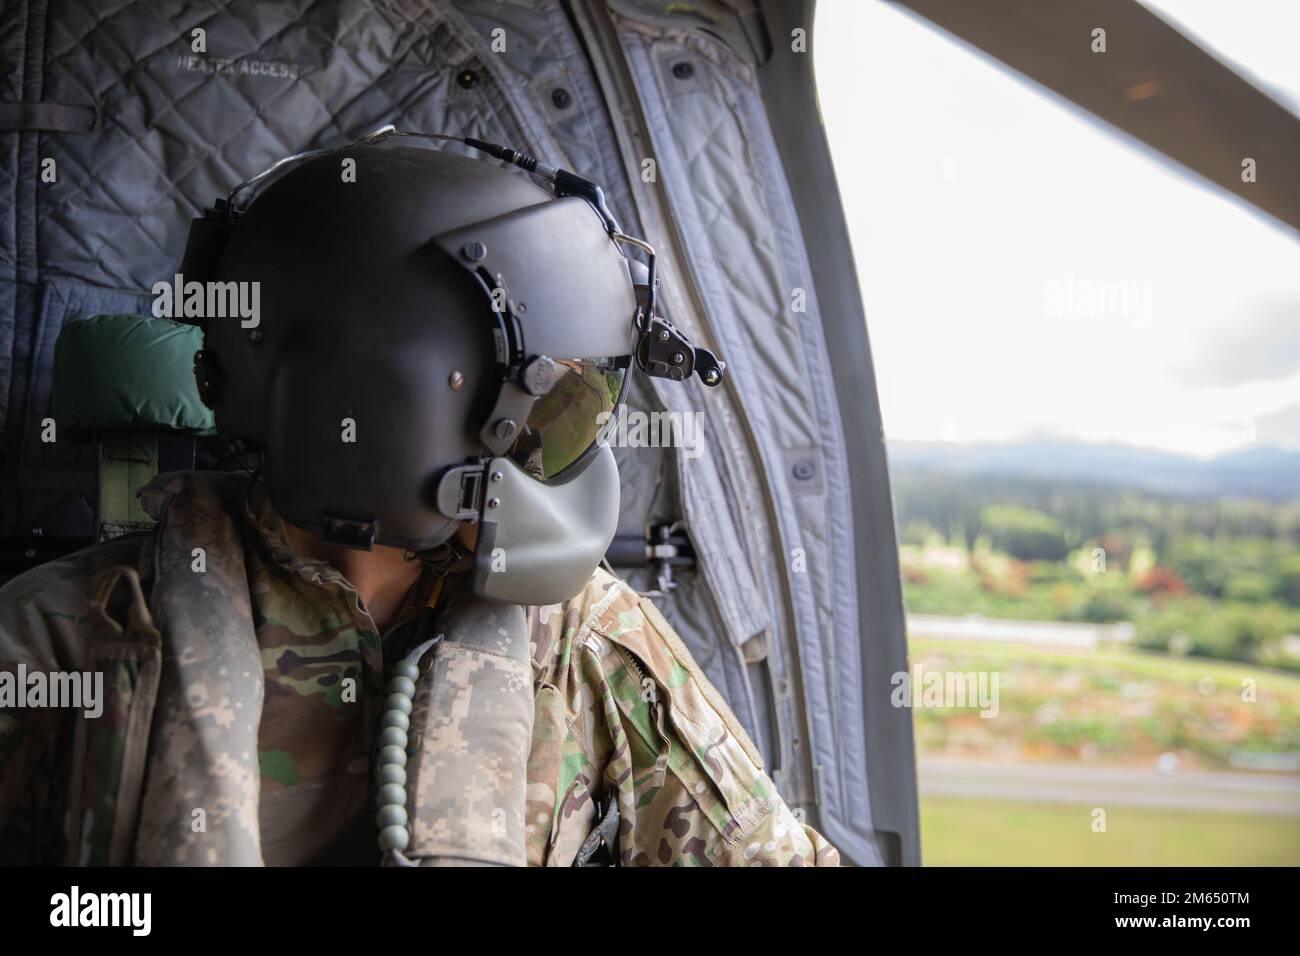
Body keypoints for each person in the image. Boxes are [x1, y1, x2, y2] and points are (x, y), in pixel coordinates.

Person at [0, 132, 838, 867]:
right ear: (398, 404)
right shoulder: (66, 637)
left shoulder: (586, 641)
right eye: (545, 409)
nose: (568, 454)